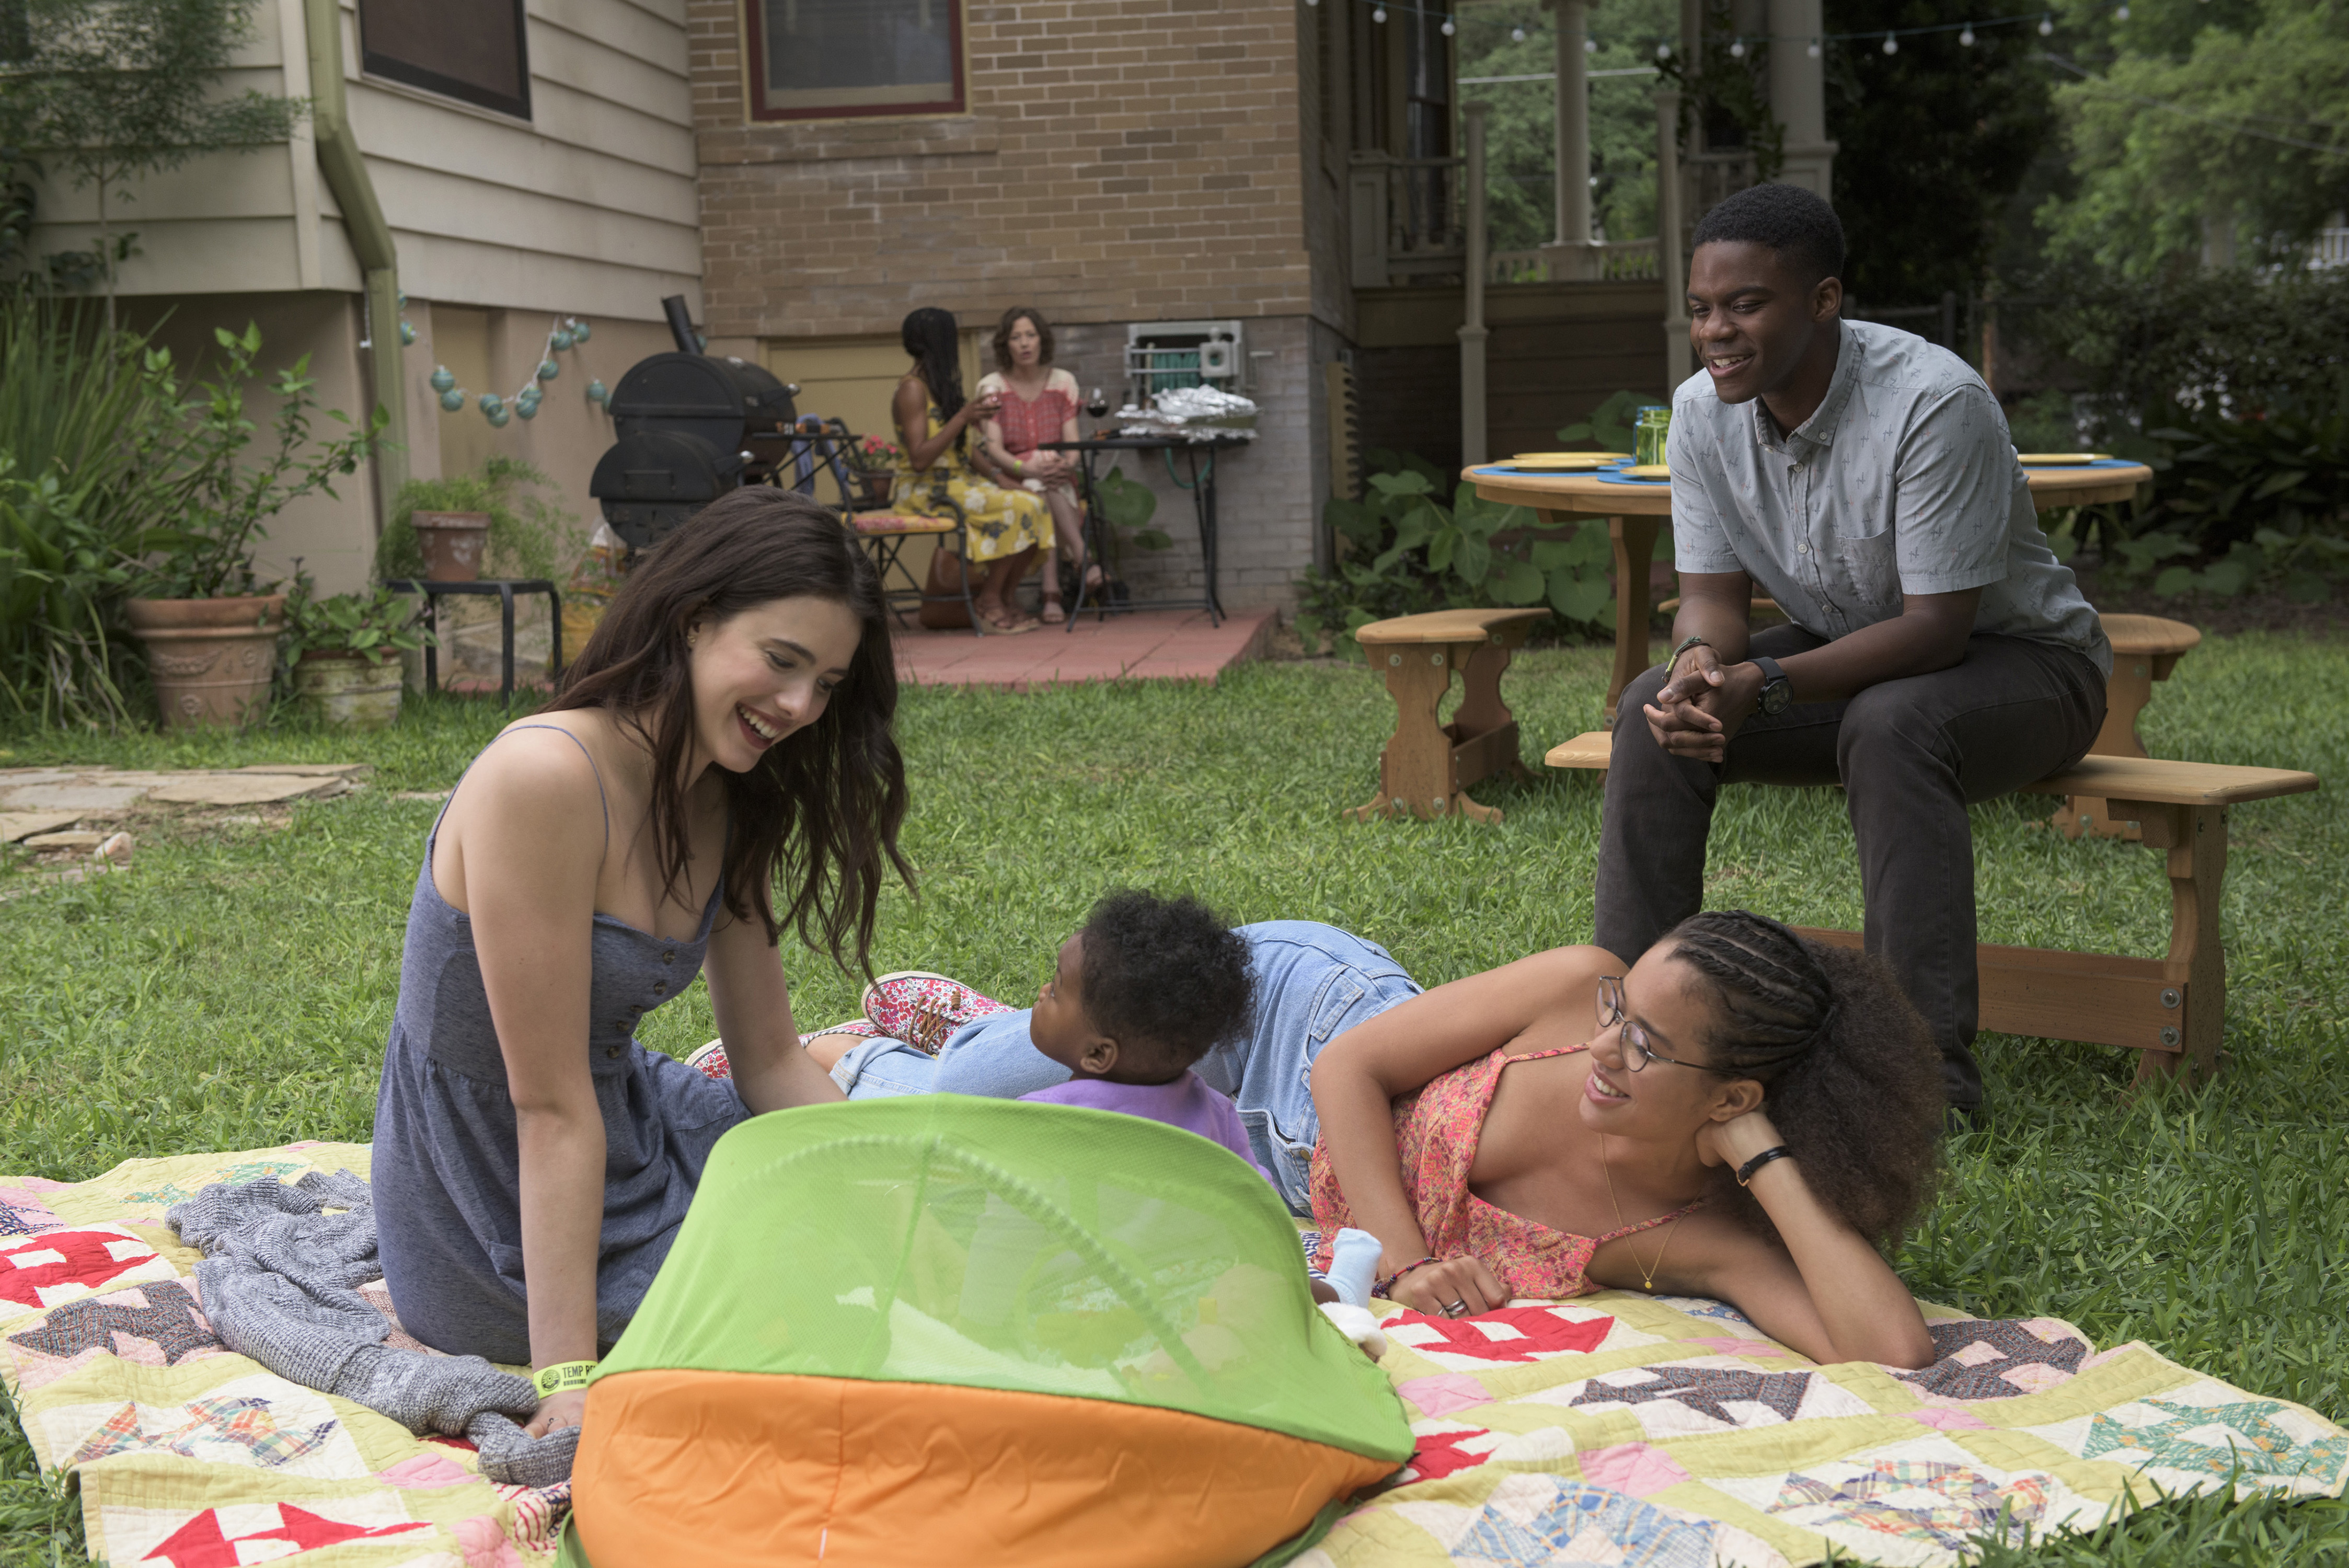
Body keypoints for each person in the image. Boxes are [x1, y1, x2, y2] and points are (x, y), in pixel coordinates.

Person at [370, 489, 913, 1440]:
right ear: (693, 618)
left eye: (825, 684)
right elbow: (546, 1108)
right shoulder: (541, 779)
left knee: (889, 1220)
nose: (798, 708)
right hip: (487, 1201)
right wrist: (568, 1378)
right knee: (804, 1305)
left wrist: (920, 1181)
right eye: (781, 663)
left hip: (626, 1125)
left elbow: (772, 1063)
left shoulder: (724, 795)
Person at [1599, 182, 2109, 1120]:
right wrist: (1697, 673)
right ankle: (1628, 1039)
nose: (1717, 330)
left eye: (1745, 305)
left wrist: (1768, 682)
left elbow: (1934, 631)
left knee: (1888, 724)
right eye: (1702, 309)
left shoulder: (1931, 401)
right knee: (1649, 712)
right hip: (1852, 650)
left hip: (2026, 670)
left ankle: (1923, 1083)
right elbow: (1710, 600)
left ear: (1823, 301)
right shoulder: (1699, 412)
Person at [1306, 912, 1943, 1367]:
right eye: (1619, 1008)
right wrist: (1410, 1263)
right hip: (1314, 1019)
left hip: (1280, 1162)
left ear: (1731, 1098)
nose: (1600, 1045)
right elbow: (1345, 1067)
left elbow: (1891, 1350)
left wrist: (1765, 1157)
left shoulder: (1698, 1234)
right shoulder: (1574, 987)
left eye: (1644, 1045)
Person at [1017, 891, 1271, 1185]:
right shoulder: (1218, 1116)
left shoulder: (1042, 1119)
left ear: (1099, 1054)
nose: (1044, 990)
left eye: (1057, 989)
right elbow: (1259, 1203)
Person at [890, 306, 1057, 632]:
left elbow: (964, 448)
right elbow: (920, 458)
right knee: (1013, 508)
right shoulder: (912, 388)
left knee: (1034, 502)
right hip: (926, 489)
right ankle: (989, 601)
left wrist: (1002, 478)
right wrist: (963, 418)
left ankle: (1006, 598)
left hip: (960, 483)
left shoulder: (940, 385)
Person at [976, 306, 1101, 617]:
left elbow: (1071, 445)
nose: (1024, 344)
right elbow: (993, 449)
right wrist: (1025, 467)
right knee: (1038, 474)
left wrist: (1067, 465)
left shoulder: (1063, 382)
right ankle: (1081, 560)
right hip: (1013, 479)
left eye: (1030, 335)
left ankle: (1052, 594)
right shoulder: (992, 386)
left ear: (1042, 340)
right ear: (1006, 344)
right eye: (1016, 337)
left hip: (1057, 477)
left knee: (1045, 471)